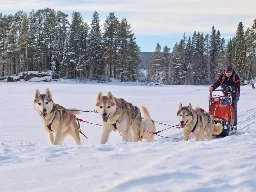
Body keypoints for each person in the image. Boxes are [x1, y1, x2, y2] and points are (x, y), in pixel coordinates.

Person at [209, 65, 240, 130]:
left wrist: (230, 88)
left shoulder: (235, 77)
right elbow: (217, 82)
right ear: (225, 72)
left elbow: (237, 88)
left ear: (232, 72)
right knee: (221, 104)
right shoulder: (222, 77)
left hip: (234, 93)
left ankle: (234, 124)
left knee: (233, 105)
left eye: (229, 72)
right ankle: (220, 119)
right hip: (224, 92)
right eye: (227, 72)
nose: (228, 73)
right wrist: (213, 87)